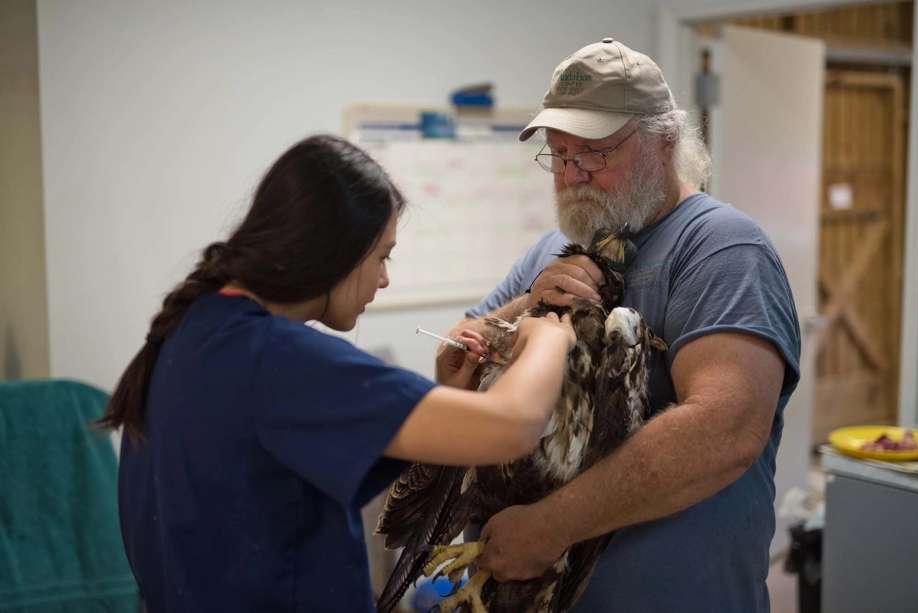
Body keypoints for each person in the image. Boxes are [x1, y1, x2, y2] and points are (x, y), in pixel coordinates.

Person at [97, 135, 576, 613]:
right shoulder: (279, 359)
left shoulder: (194, 330)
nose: (384, 279)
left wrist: (445, 395)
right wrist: (547, 334)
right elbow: (511, 425)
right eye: (382, 256)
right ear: (336, 251)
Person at [439, 39, 802, 612]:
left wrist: (547, 527)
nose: (572, 174)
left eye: (595, 153)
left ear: (664, 141)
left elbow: (723, 432)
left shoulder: (722, 248)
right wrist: (524, 308)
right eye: (559, 155)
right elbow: (455, 364)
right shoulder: (550, 253)